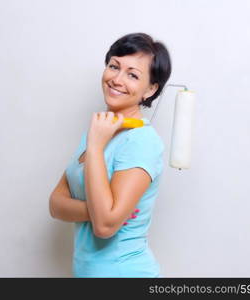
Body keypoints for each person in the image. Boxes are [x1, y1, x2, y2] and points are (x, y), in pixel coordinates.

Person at [49, 32, 172, 277]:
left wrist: (95, 147)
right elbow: (55, 204)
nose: (117, 79)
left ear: (150, 89)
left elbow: (104, 226)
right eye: (113, 66)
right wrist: (100, 210)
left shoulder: (141, 141)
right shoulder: (99, 130)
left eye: (133, 75)